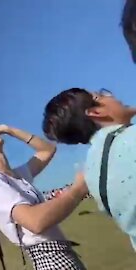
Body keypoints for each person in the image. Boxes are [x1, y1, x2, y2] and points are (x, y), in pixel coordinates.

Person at [0, 122, 88, 269]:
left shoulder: (17, 175)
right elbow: (34, 222)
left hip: (60, 253)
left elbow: (48, 149)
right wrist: (78, 189)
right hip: (50, 258)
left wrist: (9, 130)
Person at [42, 87, 136, 249]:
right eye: (102, 95)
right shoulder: (131, 138)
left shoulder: (92, 173)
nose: (112, 96)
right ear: (96, 112)